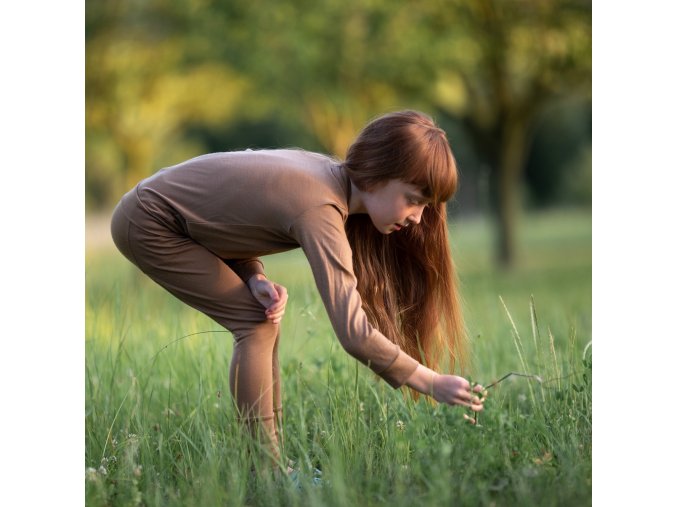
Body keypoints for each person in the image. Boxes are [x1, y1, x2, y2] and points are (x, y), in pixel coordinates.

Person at [110, 110, 485, 469]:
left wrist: (253, 276)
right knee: (254, 325)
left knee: (261, 317)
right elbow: (354, 333)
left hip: (167, 218)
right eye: (414, 200)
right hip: (148, 222)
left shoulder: (326, 180)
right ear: (378, 174)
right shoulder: (320, 207)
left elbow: (230, 216)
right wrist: (431, 382)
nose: (418, 217)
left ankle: (273, 465)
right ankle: (266, 471)